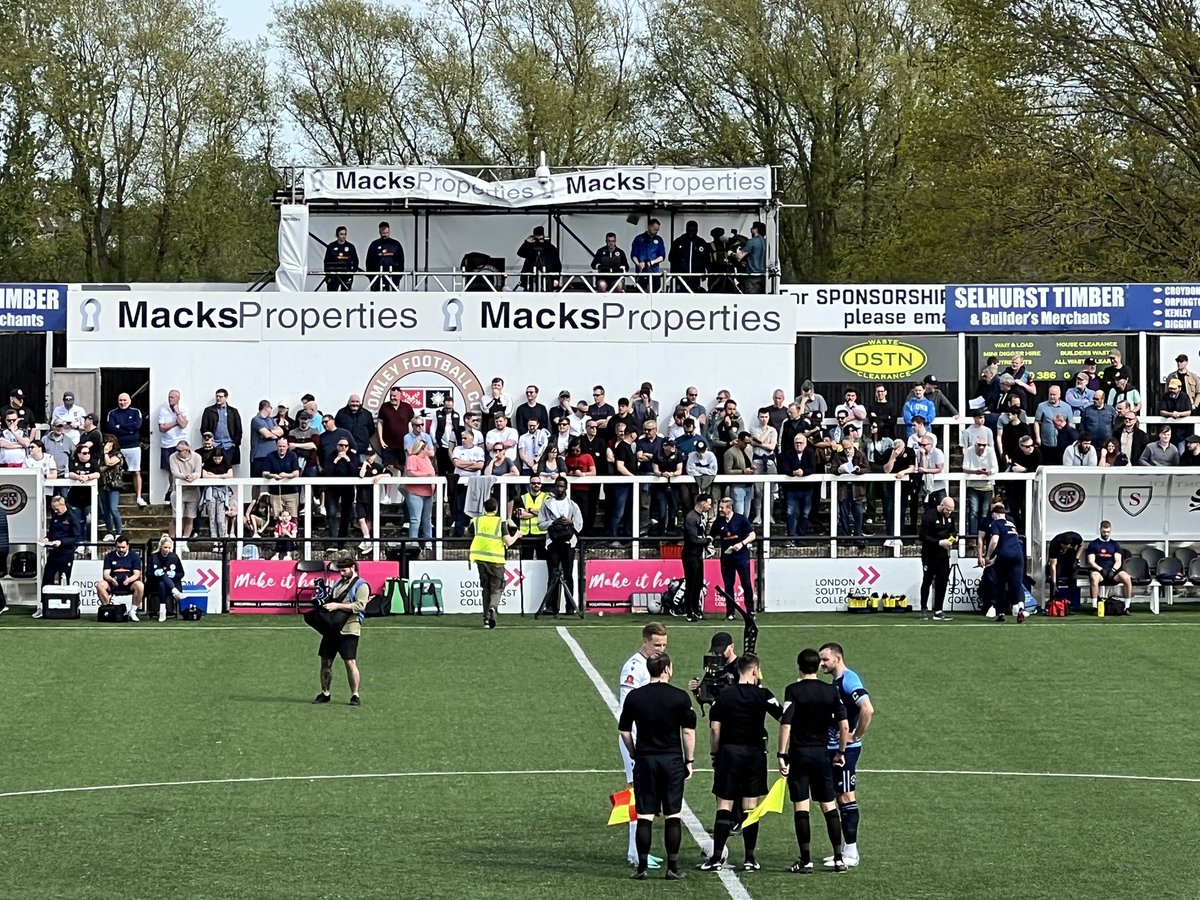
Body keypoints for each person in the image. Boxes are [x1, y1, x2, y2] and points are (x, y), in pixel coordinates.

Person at [700, 653, 784, 873]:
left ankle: (716, 857)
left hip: (729, 754)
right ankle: (749, 858)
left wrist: (715, 754)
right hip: (754, 755)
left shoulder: (724, 695)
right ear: (755, 670)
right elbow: (784, 716)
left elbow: (715, 728)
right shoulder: (763, 694)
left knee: (724, 806)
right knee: (750, 808)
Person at [617, 652, 697, 881]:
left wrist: (634, 753)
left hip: (645, 760)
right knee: (673, 814)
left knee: (644, 815)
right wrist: (688, 761)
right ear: (667, 669)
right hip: (671, 760)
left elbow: (624, 731)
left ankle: (641, 867)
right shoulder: (680, 697)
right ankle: (672, 867)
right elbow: (688, 732)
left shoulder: (635, 697)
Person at [779, 648, 849, 874]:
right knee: (829, 805)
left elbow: (786, 723)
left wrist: (782, 753)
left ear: (799, 666)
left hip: (800, 754)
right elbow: (844, 724)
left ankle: (806, 860)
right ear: (818, 665)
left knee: (802, 807)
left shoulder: (793, 690)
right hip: (821, 754)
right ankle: (839, 858)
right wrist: (841, 751)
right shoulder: (830, 691)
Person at [617, 622, 670, 870]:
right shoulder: (634, 668)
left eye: (664, 645)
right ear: (645, 641)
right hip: (636, 739)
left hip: (651, 740)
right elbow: (629, 709)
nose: (660, 650)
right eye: (656, 644)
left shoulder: (654, 667)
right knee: (637, 794)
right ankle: (635, 852)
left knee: (647, 795)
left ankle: (638, 850)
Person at [818, 643, 874, 869]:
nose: (822, 663)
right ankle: (844, 851)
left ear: (838, 659)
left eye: (825, 660)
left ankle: (852, 851)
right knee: (839, 796)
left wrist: (855, 735)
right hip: (836, 747)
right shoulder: (838, 681)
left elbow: (867, 709)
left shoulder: (849, 679)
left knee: (846, 796)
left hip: (846, 750)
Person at [311, 557, 370, 705]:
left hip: (350, 628)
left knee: (350, 662)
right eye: (340, 571)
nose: (341, 574)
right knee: (325, 661)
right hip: (333, 628)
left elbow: (360, 606)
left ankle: (355, 695)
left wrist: (337, 606)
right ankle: (325, 693)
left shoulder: (362, 585)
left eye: (344, 570)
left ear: (352, 568)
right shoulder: (338, 583)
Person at [536, 476, 583, 616]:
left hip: (568, 543)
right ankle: (551, 606)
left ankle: (570, 606)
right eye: (557, 486)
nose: (559, 489)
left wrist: (569, 522)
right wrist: (553, 523)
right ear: (554, 487)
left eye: (562, 486)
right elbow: (540, 524)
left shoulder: (572, 505)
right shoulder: (547, 504)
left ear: (566, 488)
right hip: (552, 542)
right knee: (553, 574)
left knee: (568, 575)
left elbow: (579, 524)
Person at [470, 497, 519, 629]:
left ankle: (486, 619)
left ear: (484, 509)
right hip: (496, 560)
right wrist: (517, 535)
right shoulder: (500, 522)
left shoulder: (477, 520)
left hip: (480, 559)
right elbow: (508, 541)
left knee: (485, 589)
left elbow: (468, 531)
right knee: (497, 589)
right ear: (496, 508)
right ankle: (493, 608)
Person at [710, 497, 755, 618]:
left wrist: (741, 544)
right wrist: (708, 543)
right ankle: (730, 612)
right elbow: (711, 535)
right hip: (726, 557)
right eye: (719, 507)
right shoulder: (719, 521)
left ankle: (750, 611)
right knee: (728, 585)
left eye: (722, 508)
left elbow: (752, 535)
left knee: (746, 583)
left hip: (741, 556)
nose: (720, 509)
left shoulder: (740, 519)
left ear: (729, 508)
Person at [982, 502, 1026, 623]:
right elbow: (1009, 544)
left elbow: (995, 540)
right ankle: (1019, 608)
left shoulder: (995, 523)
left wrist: (988, 556)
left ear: (994, 515)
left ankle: (1001, 612)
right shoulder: (1011, 524)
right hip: (1018, 556)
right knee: (1015, 584)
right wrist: (994, 559)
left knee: (1000, 583)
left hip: (1004, 557)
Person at [919, 496, 956, 620]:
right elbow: (923, 536)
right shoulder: (929, 516)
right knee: (927, 580)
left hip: (943, 555)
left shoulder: (950, 517)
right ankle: (923, 608)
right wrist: (939, 542)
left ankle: (939, 609)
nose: (949, 513)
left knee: (942, 581)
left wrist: (953, 539)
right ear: (942, 506)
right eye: (948, 510)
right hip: (929, 554)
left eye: (951, 510)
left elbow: (953, 531)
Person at [106, 392, 146, 506]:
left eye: (124, 400)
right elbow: (111, 428)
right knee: (116, 472)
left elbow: (137, 426)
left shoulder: (135, 412)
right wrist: (129, 429)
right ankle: (115, 499)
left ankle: (138, 497)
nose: (122, 402)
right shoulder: (112, 413)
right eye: (120, 400)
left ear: (129, 401)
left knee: (136, 471)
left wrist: (121, 426)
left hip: (133, 446)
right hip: (118, 448)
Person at [1085, 520, 1134, 609]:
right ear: (1100, 530)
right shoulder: (1093, 544)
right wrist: (1100, 569)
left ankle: (1127, 607)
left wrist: (1113, 570)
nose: (1106, 534)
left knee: (1127, 577)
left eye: (1108, 532)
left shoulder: (1114, 544)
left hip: (1113, 572)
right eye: (1104, 532)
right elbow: (1091, 561)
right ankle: (1095, 607)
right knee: (1094, 577)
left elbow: (1118, 561)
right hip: (1099, 572)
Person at [96, 535, 144, 622]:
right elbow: (106, 574)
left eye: (123, 547)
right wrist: (111, 580)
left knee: (140, 585)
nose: (121, 550)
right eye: (118, 547)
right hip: (113, 584)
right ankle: (109, 609)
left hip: (129, 584)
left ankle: (133, 611)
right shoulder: (109, 556)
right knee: (100, 585)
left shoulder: (134, 557)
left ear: (128, 546)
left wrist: (129, 580)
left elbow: (137, 574)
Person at [39, 494, 80, 597]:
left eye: (57, 509)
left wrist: (61, 542)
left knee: (64, 579)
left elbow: (75, 538)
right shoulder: (55, 516)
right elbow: (51, 532)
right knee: (47, 579)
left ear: (63, 505)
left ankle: (65, 603)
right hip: (53, 554)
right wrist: (47, 538)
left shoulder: (72, 518)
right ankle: (44, 604)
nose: (55, 511)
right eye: (54, 509)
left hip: (65, 554)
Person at [682, 494, 713, 621]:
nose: (710, 507)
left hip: (698, 555)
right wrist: (707, 540)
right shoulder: (691, 518)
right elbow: (693, 539)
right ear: (702, 503)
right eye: (709, 504)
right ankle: (689, 612)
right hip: (690, 555)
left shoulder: (701, 517)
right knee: (691, 583)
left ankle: (696, 609)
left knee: (698, 583)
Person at [156, 389, 189, 501]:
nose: (170, 399)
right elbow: (162, 428)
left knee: (182, 467)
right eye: (169, 397)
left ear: (178, 399)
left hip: (180, 443)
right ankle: (171, 489)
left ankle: (179, 490)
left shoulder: (184, 409)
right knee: (171, 469)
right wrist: (176, 422)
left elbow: (183, 424)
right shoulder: (163, 410)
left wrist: (177, 412)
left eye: (172, 397)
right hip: (167, 444)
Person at [199, 388, 243, 468]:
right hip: (214, 445)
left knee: (228, 469)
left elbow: (238, 429)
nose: (218, 398)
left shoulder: (233, 411)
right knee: (213, 469)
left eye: (220, 396)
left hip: (228, 446)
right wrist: (209, 440)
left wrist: (235, 443)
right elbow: (203, 428)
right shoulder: (209, 411)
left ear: (226, 397)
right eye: (217, 396)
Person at [146, 534, 185, 622]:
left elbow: (181, 573)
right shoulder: (153, 557)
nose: (167, 550)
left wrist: (174, 574)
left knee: (163, 582)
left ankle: (162, 610)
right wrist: (154, 573)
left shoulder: (174, 557)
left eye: (169, 548)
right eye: (165, 547)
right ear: (161, 546)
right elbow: (147, 573)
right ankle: (175, 592)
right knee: (161, 581)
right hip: (155, 584)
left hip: (172, 582)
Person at [97, 434, 126, 541]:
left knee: (114, 509)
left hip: (113, 485)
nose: (106, 445)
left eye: (108, 442)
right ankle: (109, 531)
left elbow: (109, 463)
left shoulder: (118, 455)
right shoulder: (102, 456)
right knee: (106, 510)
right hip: (103, 485)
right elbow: (99, 469)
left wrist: (105, 453)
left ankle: (119, 532)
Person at [668, 220, 709, 292]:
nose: (692, 233)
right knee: (681, 294)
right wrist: (675, 271)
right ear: (686, 229)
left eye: (694, 230)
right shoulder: (679, 241)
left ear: (697, 230)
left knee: (695, 294)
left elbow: (706, 259)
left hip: (696, 275)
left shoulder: (701, 242)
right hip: (681, 276)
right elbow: (671, 257)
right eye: (690, 230)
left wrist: (703, 272)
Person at [517, 225, 561, 290]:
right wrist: (526, 243)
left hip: (547, 277)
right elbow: (520, 253)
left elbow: (557, 264)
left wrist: (556, 278)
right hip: (531, 277)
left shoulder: (550, 248)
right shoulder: (530, 246)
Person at [630, 218, 667, 293]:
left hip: (654, 271)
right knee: (640, 293)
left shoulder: (659, 239)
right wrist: (638, 264)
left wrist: (652, 262)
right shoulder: (639, 238)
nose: (657, 231)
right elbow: (633, 255)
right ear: (649, 227)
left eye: (658, 229)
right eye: (655, 229)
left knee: (656, 292)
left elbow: (662, 256)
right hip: (640, 272)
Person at [365, 221, 404, 290]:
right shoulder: (374, 244)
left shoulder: (395, 244)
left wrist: (398, 276)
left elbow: (401, 260)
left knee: (392, 296)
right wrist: (371, 276)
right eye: (383, 233)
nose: (385, 235)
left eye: (387, 233)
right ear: (379, 232)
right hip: (377, 277)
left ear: (389, 231)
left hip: (392, 276)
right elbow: (369, 262)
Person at [322, 225, 358, 291]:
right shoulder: (331, 246)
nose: (343, 236)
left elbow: (356, 260)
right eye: (341, 234)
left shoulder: (351, 247)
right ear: (337, 235)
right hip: (334, 275)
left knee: (345, 295)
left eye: (345, 234)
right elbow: (326, 261)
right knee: (332, 294)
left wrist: (352, 272)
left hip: (346, 275)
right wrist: (328, 275)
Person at [735, 221, 767, 293]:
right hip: (764, 276)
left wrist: (732, 253)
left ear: (756, 230)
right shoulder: (766, 242)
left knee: (751, 300)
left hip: (752, 276)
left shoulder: (752, 242)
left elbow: (739, 257)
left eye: (752, 228)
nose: (751, 230)